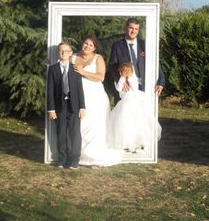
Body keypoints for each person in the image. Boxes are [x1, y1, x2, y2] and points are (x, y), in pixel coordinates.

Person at [71, 35, 123, 166]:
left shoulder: (98, 58)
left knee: (96, 127)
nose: (87, 46)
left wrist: (83, 72)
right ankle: (79, 155)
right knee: (81, 125)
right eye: (85, 43)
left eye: (90, 45)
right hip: (79, 96)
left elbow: (100, 77)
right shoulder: (73, 57)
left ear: (94, 48)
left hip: (95, 96)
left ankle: (96, 158)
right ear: (82, 43)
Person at [47, 42, 86, 169]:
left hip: (74, 106)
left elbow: (80, 89)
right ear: (58, 53)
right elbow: (50, 90)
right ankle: (62, 158)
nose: (63, 53)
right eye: (61, 51)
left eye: (66, 51)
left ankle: (74, 159)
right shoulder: (53, 69)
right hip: (59, 106)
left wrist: (82, 107)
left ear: (70, 53)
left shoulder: (75, 69)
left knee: (75, 133)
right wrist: (51, 109)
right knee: (61, 133)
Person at [109, 18, 165, 103]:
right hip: (127, 87)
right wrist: (121, 79)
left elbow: (155, 62)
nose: (133, 31)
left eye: (136, 29)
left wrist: (161, 81)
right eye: (131, 28)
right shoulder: (117, 46)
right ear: (126, 28)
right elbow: (112, 66)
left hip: (146, 85)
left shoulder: (144, 44)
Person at [109, 61, 162, 152]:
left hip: (134, 104)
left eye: (127, 71)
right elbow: (118, 89)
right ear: (120, 72)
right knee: (126, 124)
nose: (125, 73)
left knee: (137, 123)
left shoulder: (133, 79)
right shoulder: (119, 81)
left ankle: (137, 143)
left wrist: (128, 78)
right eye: (123, 71)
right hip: (124, 105)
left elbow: (134, 88)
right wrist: (122, 78)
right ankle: (129, 143)